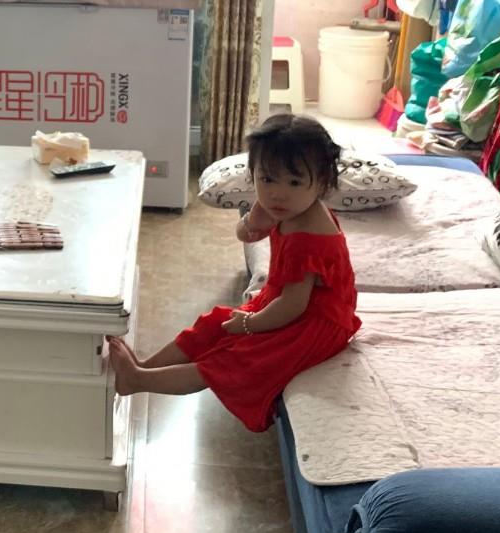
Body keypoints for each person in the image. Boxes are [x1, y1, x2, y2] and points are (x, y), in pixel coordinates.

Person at [107, 114, 361, 431]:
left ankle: (138, 380)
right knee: (213, 324)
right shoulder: (286, 205)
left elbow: (293, 305)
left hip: (314, 321)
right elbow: (246, 234)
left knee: (233, 361)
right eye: (267, 179)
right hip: (283, 301)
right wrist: (254, 220)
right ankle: (145, 366)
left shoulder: (307, 237)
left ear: (321, 183)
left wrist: (250, 323)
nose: (278, 193)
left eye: (295, 182)